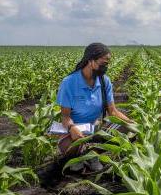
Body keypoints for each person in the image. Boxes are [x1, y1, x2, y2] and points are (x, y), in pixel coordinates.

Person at [56, 42, 132, 173]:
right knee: (70, 147)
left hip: (94, 127)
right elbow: (65, 117)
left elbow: (113, 111)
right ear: (90, 60)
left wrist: (133, 124)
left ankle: (93, 155)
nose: (105, 67)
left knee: (124, 126)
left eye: (107, 64)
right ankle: (76, 157)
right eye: (103, 64)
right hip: (74, 130)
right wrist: (72, 127)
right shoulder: (69, 82)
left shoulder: (104, 81)